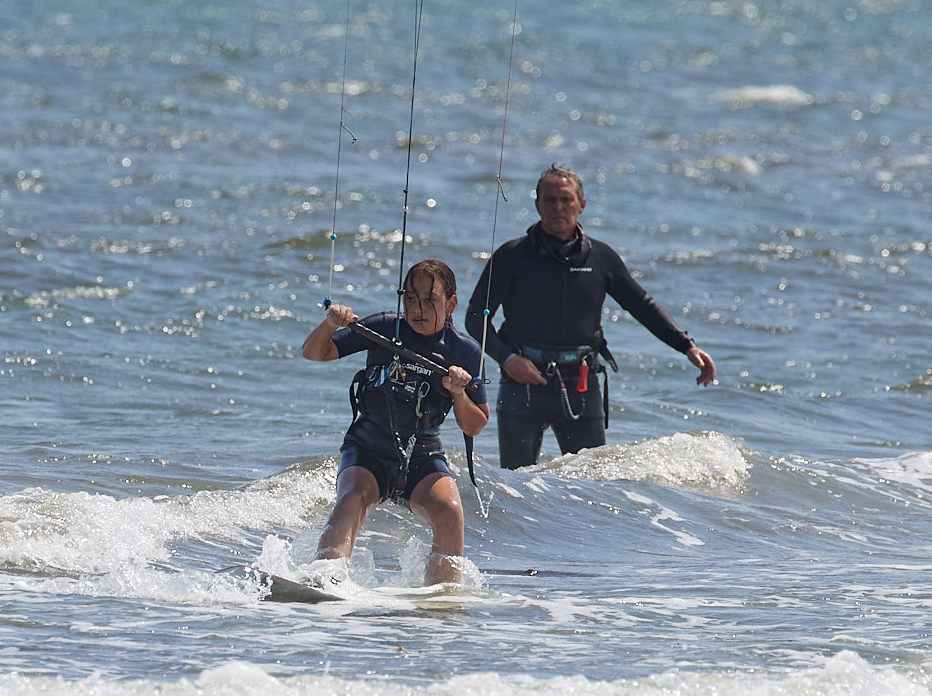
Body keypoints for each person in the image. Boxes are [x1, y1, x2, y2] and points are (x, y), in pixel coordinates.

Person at [465, 163, 716, 468]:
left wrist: (686, 345)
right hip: (522, 383)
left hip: (581, 384)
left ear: (581, 204)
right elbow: (476, 316)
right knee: (515, 484)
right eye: (550, 200)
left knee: (590, 483)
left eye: (566, 199)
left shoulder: (600, 258)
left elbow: (642, 305)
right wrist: (507, 359)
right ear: (538, 204)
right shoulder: (512, 256)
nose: (558, 207)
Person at [300, 258, 489, 586]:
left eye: (429, 299)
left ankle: (443, 594)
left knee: (450, 511)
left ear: (451, 304)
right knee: (352, 497)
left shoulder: (466, 352)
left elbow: (475, 425)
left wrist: (459, 393)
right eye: (410, 298)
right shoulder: (385, 327)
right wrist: (331, 324)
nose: (418, 308)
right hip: (368, 447)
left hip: (423, 456)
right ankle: (325, 577)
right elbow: (315, 353)